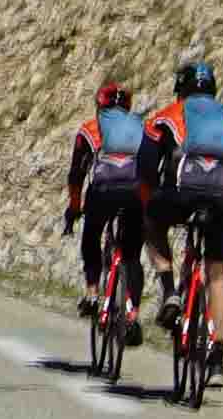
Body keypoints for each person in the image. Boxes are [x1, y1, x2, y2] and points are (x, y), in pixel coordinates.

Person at [144, 58, 223, 359]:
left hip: (182, 195)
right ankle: (217, 357)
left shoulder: (169, 115)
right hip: (222, 201)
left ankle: (170, 291)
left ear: (180, 88)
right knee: (218, 276)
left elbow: (147, 164)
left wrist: (154, 191)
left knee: (151, 225)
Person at [64, 72, 156, 342]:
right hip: (135, 195)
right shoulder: (142, 127)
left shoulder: (90, 129)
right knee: (131, 256)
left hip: (102, 192)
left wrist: (74, 206)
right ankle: (132, 314)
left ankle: (92, 293)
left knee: (91, 237)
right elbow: (152, 168)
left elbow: (76, 174)